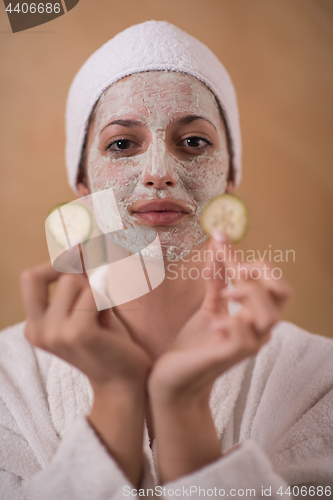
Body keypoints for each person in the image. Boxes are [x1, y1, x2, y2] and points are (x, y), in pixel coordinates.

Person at [1, 21, 332, 500]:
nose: (158, 173)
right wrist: (116, 397)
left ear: (230, 177)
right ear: (83, 184)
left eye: (194, 142)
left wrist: (185, 406)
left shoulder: (320, 380)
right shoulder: (8, 382)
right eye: (122, 144)